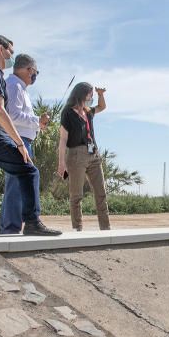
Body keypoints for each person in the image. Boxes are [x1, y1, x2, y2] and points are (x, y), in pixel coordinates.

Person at [0, 34, 60, 236]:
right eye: (11, 52)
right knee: (29, 171)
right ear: (1, 49)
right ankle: (32, 223)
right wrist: (19, 143)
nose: (11, 57)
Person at [0, 53, 50, 234]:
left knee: (18, 185)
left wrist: (38, 124)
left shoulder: (19, 87)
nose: (34, 76)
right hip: (18, 141)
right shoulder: (14, 86)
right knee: (18, 185)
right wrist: (37, 121)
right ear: (28, 69)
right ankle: (11, 230)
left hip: (23, 140)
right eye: (35, 72)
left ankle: (10, 228)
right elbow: (12, 115)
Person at [57, 82, 110, 231]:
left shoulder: (88, 112)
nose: (91, 98)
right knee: (76, 196)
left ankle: (106, 229)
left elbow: (102, 107)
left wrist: (100, 95)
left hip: (94, 154)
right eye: (90, 95)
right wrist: (61, 163)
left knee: (101, 193)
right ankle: (77, 230)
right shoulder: (67, 112)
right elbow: (63, 139)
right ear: (81, 94)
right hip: (76, 155)